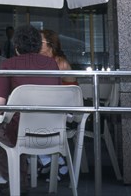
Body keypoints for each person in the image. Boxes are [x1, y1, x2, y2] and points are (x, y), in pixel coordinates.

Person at [0, 24, 62, 196]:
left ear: (16, 47)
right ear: (37, 45)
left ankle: (16, 182)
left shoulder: (9, 64)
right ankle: (19, 182)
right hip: (54, 131)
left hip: (21, 133)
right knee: (18, 127)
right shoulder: (52, 64)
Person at [38, 29, 77, 179]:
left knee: (30, 118)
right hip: (50, 109)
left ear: (50, 45)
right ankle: (52, 161)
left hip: (66, 112)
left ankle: (47, 160)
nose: (35, 44)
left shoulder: (59, 62)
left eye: (39, 41)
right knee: (26, 118)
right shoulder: (40, 62)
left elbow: (55, 93)